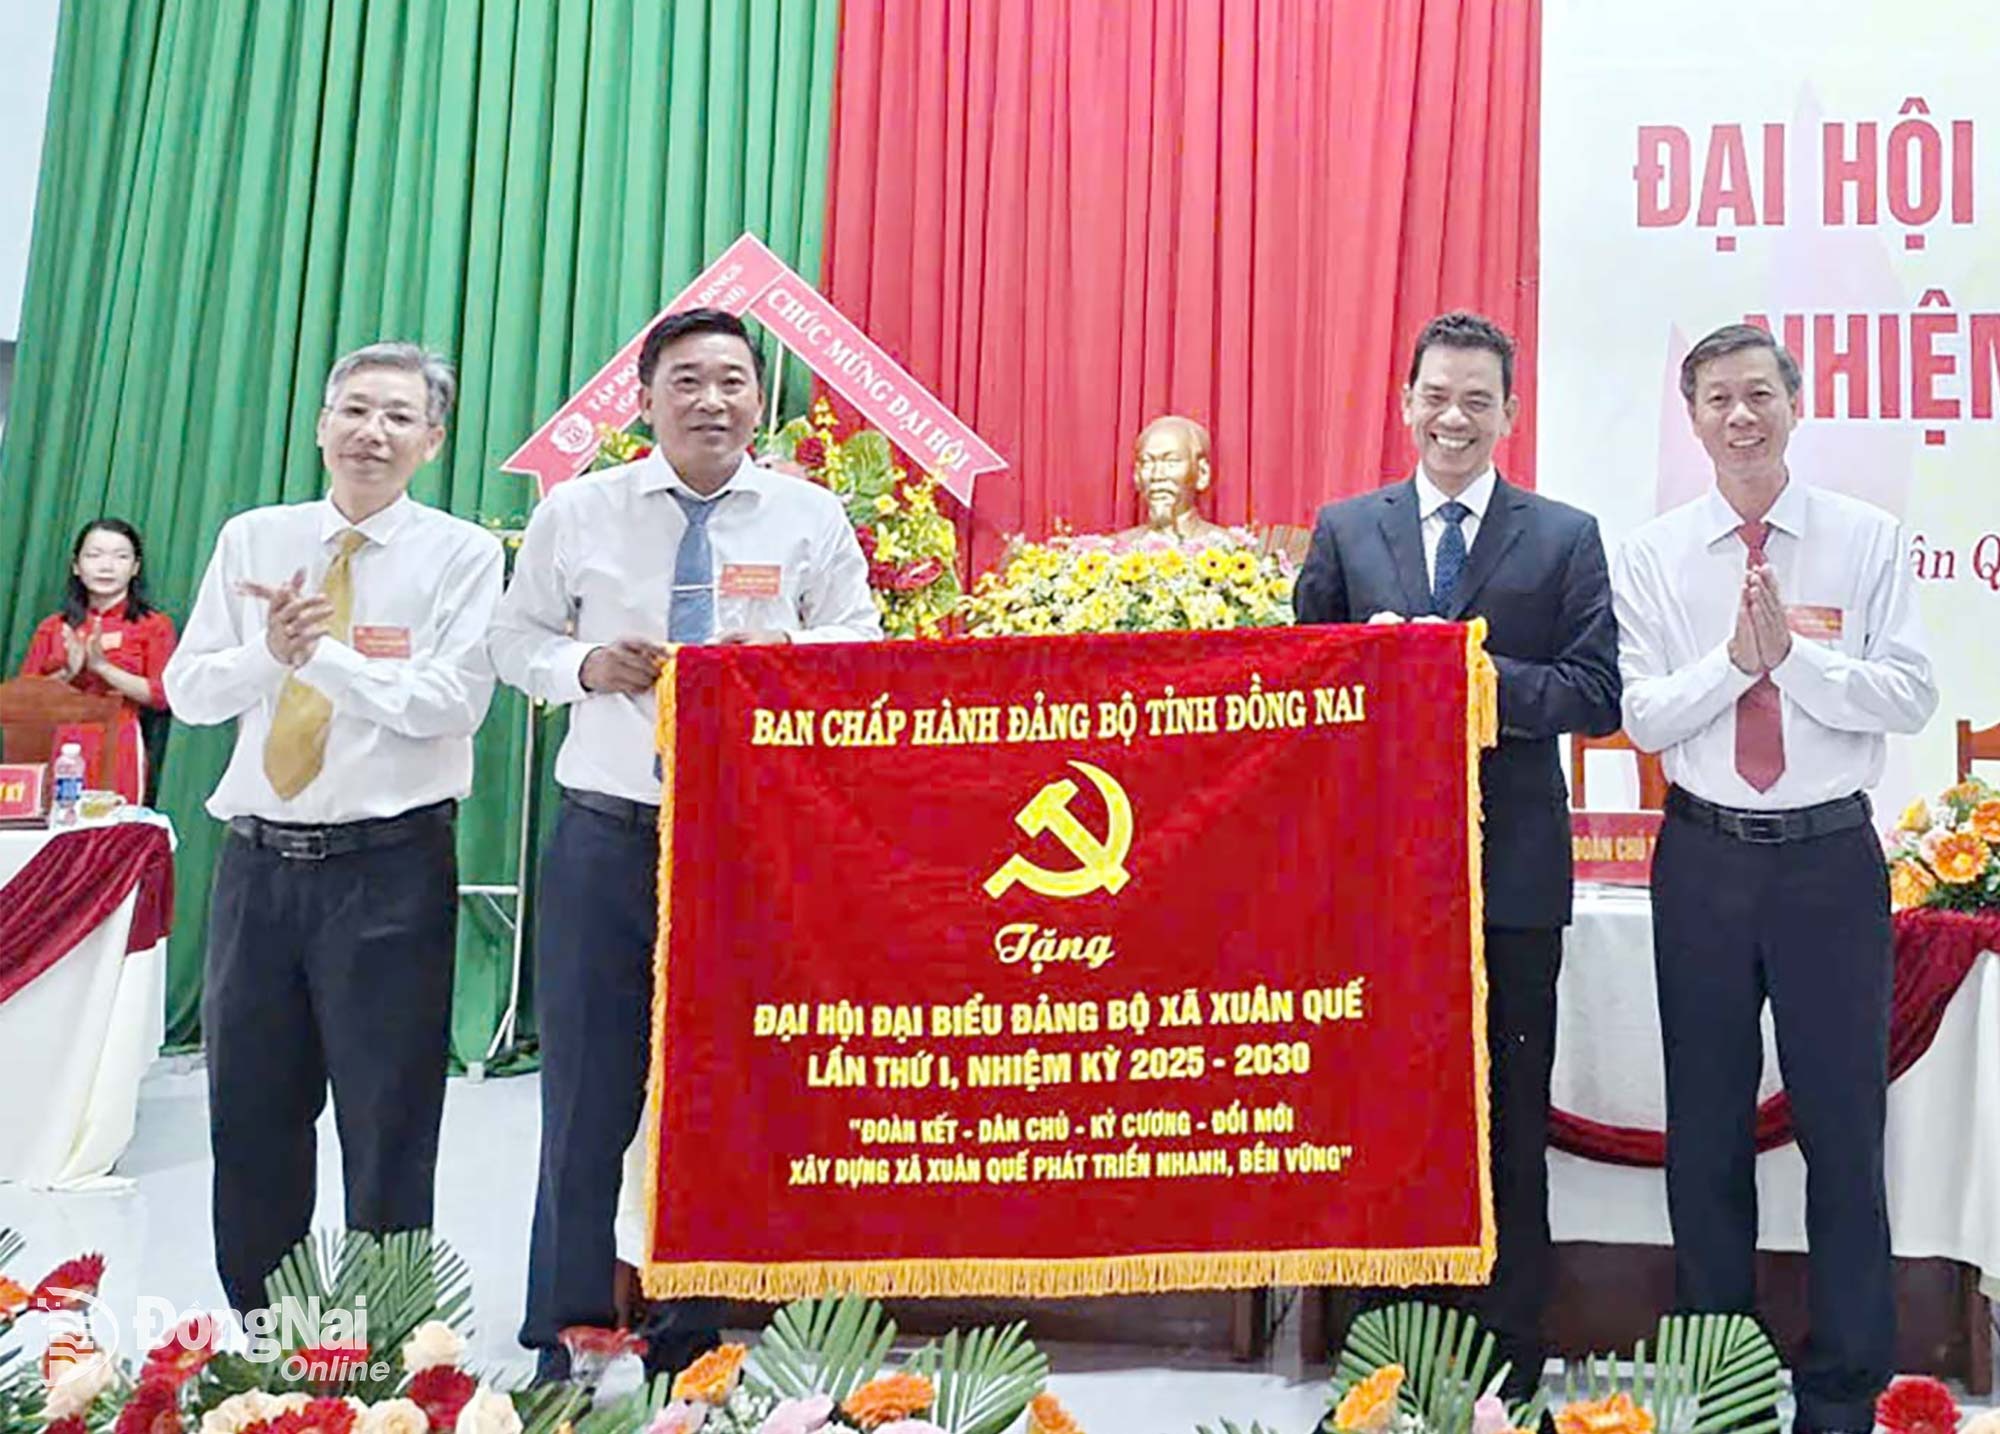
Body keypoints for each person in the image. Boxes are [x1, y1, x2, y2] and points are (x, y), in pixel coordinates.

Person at [489, 308, 881, 1381]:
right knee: (584, 1097)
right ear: (644, 398)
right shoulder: (579, 512)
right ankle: (563, 1334)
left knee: (710, 1092)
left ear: (761, 401)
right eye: (687, 381)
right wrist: (582, 670)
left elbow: (861, 642)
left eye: (732, 382)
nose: (712, 401)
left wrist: (781, 653)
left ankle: (689, 1339)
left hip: (741, 845)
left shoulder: (807, 516)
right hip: (608, 836)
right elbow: (511, 640)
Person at [1612, 324, 1935, 1434]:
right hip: (1700, 857)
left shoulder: (1865, 539)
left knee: (1842, 1125)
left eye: (1758, 394)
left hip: (1826, 863)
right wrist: (1732, 665)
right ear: (1691, 418)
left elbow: (1904, 696)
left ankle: (1847, 1385)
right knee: (1702, 1125)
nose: (1738, 416)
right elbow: (1643, 713)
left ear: (1793, 406)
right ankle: (1718, 1376)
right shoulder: (1655, 554)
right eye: (1715, 399)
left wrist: (1794, 662)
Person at [1293, 310, 1621, 1396]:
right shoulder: (1345, 531)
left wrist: (1460, 675)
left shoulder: (1563, 535)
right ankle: (1387, 1358)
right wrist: (1372, 676)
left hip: (1514, 883)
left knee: (1507, 1123)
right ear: (1403, 402)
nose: (1453, 416)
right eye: (1436, 394)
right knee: (1385, 1119)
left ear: (1508, 416)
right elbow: (1306, 689)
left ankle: (1508, 1365)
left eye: (1477, 400)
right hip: (1379, 887)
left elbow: (1590, 690)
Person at [162, 342, 503, 1313]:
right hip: (258, 869)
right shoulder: (254, 539)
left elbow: (451, 705)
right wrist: (269, 655)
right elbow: (189, 691)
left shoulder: (462, 555)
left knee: (388, 1120)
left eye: (399, 416)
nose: (372, 432)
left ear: (432, 441)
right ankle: (263, 1333)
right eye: (354, 410)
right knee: (252, 1115)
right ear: (320, 424)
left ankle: (389, 1339)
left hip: (387, 869)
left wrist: (325, 657)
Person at [19, 519, 177, 805]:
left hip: (119, 744)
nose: (107, 566)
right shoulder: (54, 627)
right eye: (94, 555)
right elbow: (25, 700)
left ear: (135, 567)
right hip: (56, 745)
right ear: (76, 566)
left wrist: (103, 667)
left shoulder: (154, 626)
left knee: (110, 840)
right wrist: (68, 673)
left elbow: (163, 695)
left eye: (121, 556)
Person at [1113, 414, 1229, 545]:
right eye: (1147, 462)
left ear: (1202, 473)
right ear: (1137, 475)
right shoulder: (1113, 551)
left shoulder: (1229, 550)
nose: (1157, 475)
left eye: (1171, 461)